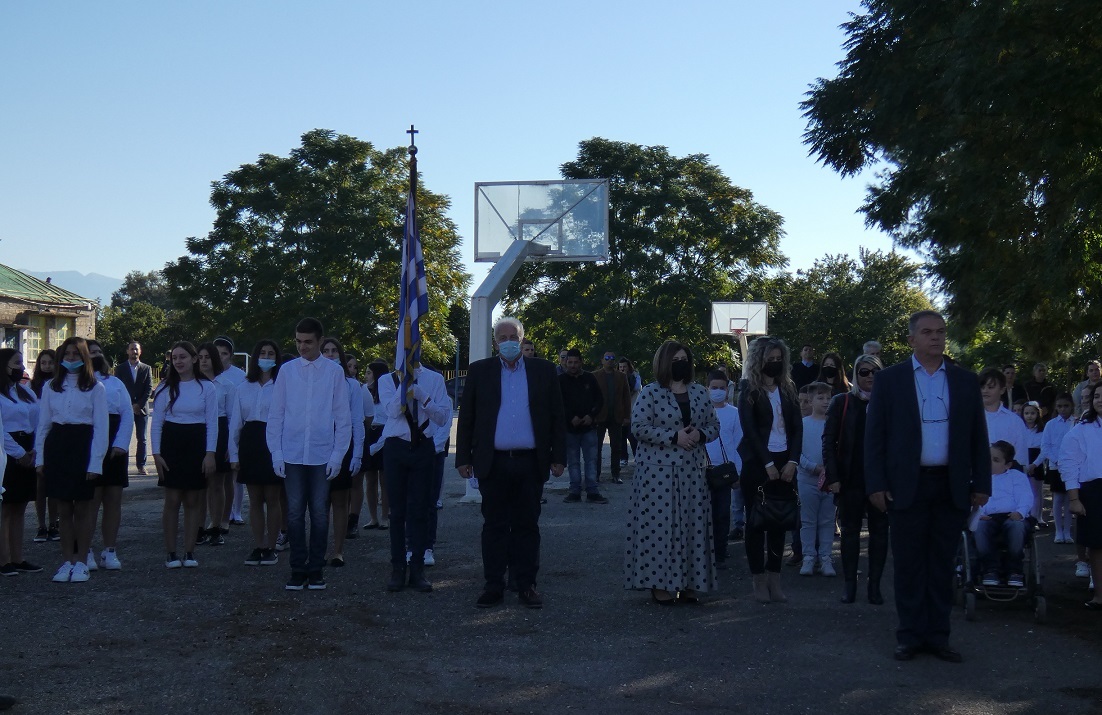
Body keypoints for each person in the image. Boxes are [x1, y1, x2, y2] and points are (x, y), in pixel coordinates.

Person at [865, 310, 990, 662]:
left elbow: (978, 436)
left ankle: (938, 636)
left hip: (951, 484)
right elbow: (875, 437)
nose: (936, 337)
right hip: (906, 485)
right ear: (911, 339)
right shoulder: (890, 380)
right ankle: (909, 635)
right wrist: (876, 484)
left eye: (941, 331)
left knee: (942, 564)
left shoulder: (965, 380)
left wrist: (982, 483)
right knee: (908, 564)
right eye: (927, 332)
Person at [456, 317, 566, 609]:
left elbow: (557, 416)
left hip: (530, 462)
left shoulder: (543, 371)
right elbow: (467, 417)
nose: (508, 342)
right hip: (493, 462)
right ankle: (493, 585)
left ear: (522, 339)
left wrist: (558, 457)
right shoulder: (480, 371)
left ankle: (526, 584)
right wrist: (463, 457)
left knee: (527, 526)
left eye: (513, 337)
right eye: (502, 338)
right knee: (494, 526)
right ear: (495, 343)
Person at [624, 341, 718, 604]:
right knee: (660, 529)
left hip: (692, 472)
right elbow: (638, 427)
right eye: (675, 360)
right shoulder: (650, 392)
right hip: (657, 475)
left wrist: (700, 434)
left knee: (692, 527)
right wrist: (673, 437)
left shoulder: (700, 392)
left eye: (684, 359)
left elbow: (714, 425)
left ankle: (690, 582)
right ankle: (659, 583)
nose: (681, 364)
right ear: (664, 362)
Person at [266, 317, 352, 591]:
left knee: (319, 513)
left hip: (321, 453)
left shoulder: (334, 372)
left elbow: (343, 417)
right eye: (298, 341)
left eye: (308, 342)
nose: (302, 347)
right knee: (293, 513)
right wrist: (276, 453)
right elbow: (276, 414)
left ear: (320, 341)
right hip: (292, 453)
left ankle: (315, 569)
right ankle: (297, 568)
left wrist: (338, 455)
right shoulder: (287, 371)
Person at [35, 337, 109, 583]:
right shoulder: (51, 386)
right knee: (64, 508)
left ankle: (82, 562)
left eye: (75, 354)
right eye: (66, 354)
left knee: (83, 508)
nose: (70, 358)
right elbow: (43, 425)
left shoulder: (96, 387)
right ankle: (67, 561)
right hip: (58, 445)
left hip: (83, 445)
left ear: (84, 357)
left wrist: (96, 462)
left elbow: (101, 428)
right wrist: (40, 458)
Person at [738, 336, 803, 603]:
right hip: (757, 464)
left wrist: (793, 462)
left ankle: (774, 580)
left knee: (779, 522)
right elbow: (750, 430)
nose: (775, 363)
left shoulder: (788, 388)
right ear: (758, 360)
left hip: (786, 462)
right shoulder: (748, 389)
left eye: (778, 359)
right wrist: (767, 464)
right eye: (770, 359)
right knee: (755, 523)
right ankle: (758, 581)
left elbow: (797, 428)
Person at [823, 353, 888, 604]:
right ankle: (850, 584)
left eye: (875, 372)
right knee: (849, 533)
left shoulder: (889, 402)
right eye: (864, 372)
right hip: (850, 478)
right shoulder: (842, 402)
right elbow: (828, 442)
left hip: (880, 479)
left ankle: (875, 586)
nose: (870, 376)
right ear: (855, 375)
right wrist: (833, 477)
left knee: (879, 533)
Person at [152, 341, 218, 569]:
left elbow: (212, 423)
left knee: (192, 500)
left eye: (183, 357)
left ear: (194, 359)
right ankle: (171, 553)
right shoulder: (164, 387)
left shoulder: (207, 387)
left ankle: (189, 552)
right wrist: (156, 453)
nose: (178, 361)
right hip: (172, 445)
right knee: (172, 500)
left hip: (197, 445)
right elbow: (156, 423)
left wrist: (210, 454)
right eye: (174, 358)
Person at [228, 340, 283, 566]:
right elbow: (235, 423)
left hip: (274, 442)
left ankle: (272, 546)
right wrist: (233, 455)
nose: (266, 357)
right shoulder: (243, 387)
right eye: (262, 353)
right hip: (250, 442)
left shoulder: (282, 386)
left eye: (271, 353)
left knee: (273, 497)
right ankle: (259, 545)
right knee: (255, 499)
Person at [86, 340, 133, 571]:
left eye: (98, 352)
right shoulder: (80, 384)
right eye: (90, 352)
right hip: (90, 441)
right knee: (90, 502)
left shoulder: (115, 382)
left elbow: (127, 413)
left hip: (115, 444)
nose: (96, 355)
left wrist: (121, 443)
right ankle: (85, 550)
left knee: (113, 500)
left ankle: (109, 550)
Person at [320, 337, 364, 569]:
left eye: (334, 351)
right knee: (319, 503)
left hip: (342, 444)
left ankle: (337, 551)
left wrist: (357, 454)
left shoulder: (352, 385)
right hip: (317, 445)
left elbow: (357, 421)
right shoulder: (313, 381)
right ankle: (319, 549)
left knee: (339, 500)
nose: (330, 355)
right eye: (325, 351)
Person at [0, 348, 42, 576]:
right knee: (6, 508)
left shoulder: (25, 391)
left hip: (28, 448)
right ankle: (3, 559)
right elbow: (1, 431)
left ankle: (18, 557)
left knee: (20, 507)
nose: (22, 368)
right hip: (7, 451)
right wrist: (19, 453)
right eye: (17, 363)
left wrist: (33, 450)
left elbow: (38, 420)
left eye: (22, 363)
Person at [1061, 382, 1102, 609]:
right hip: (1093, 491)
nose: (1100, 400)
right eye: (1097, 396)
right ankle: (1099, 595)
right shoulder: (1081, 430)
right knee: (1097, 545)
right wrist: (1074, 498)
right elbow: (1069, 464)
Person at [974, 441, 1033, 588]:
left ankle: (1014, 570)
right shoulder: (978, 477)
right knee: (979, 526)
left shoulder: (1016, 477)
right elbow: (973, 500)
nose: (989, 463)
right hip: (987, 517)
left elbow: (1026, 496)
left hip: (1012, 516)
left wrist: (1020, 512)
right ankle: (990, 569)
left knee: (1016, 527)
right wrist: (978, 514)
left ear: (1007, 465)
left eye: (996, 460)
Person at [704, 369, 742, 571]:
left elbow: (738, 444)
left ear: (728, 389)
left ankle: (720, 552)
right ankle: (704, 551)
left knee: (722, 514)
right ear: (707, 389)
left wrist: (738, 474)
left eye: (721, 388)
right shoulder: (700, 411)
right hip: (702, 471)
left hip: (725, 473)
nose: (718, 391)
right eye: (714, 388)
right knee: (704, 514)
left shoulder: (734, 413)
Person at [196, 342, 234, 546]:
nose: (203, 361)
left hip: (220, 431)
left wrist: (231, 445)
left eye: (207, 357)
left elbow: (232, 417)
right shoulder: (192, 383)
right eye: (200, 357)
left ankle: (216, 526)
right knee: (200, 485)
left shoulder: (226, 385)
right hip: (198, 430)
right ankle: (198, 527)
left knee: (217, 484)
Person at [797, 382, 835, 577]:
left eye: (828, 398)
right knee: (808, 520)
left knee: (828, 520)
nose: (825, 401)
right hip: (807, 480)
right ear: (810, 401)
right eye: (820, 398)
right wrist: (813, 467)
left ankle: (826, 557)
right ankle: (808, 557)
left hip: (830, 480)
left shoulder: (834, 424)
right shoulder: (803, 424)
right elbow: (797, 452)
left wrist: (831, 470)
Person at [559, 348, 606, 504]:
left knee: (591, 460)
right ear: (565, 362)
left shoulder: (590, 378)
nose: (572, 365)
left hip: (588, 427)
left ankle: (592, 490)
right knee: (573, 461)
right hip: (570, 429)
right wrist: (570, 417)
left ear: (581, 362)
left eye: (575, 362)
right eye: (570, 362)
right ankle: (575, 490)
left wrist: (591, 416)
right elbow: (558, 403)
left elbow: (599, 399)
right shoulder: (560, 380)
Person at [29, 349, 57, 542]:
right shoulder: (31, 388)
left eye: (50, 363)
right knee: (39, 485)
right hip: (37, 439)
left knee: (54, 484)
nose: (47, 366)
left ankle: (54, 523)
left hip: (55, 438)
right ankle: (41, 525)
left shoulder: (59, 385)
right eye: (43, 363)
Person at [1040, 393, 1076, 543]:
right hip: (1056, 466)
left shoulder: (1076, 423)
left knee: (1069, 499)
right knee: (1058, 498)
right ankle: (1058, 531)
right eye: (1060, 406)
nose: (1063, 409)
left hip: (1072, 466)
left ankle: (1067, 531)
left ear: (1072, 406)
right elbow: (1045, 446)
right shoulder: (1051, 424)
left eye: (1066, 406)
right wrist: (1056, 460)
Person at [978, 367, 1030, 471]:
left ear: (1002, 390)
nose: (985, 391)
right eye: (982, 387)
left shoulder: (1014, 421)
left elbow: (1021, 458)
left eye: (990, 387)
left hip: (1006, 477)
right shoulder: (969, 418)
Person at [592, 349, 631, 484]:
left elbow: (626, 397)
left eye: (612, 358)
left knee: (616, 447)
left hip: (616, 416)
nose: (610, 361)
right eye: (607, 358)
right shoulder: (595, 376)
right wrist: (591, 414)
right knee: (596, 447)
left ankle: (616, 474)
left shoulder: (621, 377)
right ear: (602, 360)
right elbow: (591, 397)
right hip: (599, 416)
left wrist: (627, 416)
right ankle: (595, 474)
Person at [359, 360, 389, 530]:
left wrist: (378, 445)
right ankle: (373, 518)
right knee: (370, 480)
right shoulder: (364, 391)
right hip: (369, 433)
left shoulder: (386, 392)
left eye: (369, 373)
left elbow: (390, 419)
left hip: (384, 436)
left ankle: (385, 516)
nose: (366, 376)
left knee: (385, 480)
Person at [114, 341, 152, 476]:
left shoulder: (146, 368)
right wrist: (129, 405)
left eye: (136, 349)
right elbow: (117, 388)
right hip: (125, 409)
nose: (134, 352)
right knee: (124, 437)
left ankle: (141, 465)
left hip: (141, 410)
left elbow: (149, 389)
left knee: (142, 438)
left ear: (140, 351)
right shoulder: (120, 369)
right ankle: (122, 466)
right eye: (132, 349)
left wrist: (138, 405)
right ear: (127, 351)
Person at [1021, 401, 1047, 525]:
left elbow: (1044, 450)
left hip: (1036, 461)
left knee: (1036, 492)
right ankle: (1025, 516)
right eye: (1026, 413)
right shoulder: (1020, 429)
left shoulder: (1042, 430)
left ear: (1038, 414)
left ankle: (1036, 518)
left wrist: (1035, 464)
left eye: (1032, 413)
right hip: (1023, 460)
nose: (1029, 416)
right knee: (1024, 491)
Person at [618, 357, 641, 463]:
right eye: (620, 367)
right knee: (621, 436)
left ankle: (637, 455)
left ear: (629, 367)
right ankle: (623, 457)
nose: (622, 369)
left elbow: (636, 388)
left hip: (633, 410)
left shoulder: (635, 376)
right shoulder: (616, 378)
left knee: (632, 435)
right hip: (621, 411)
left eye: (624, 367)